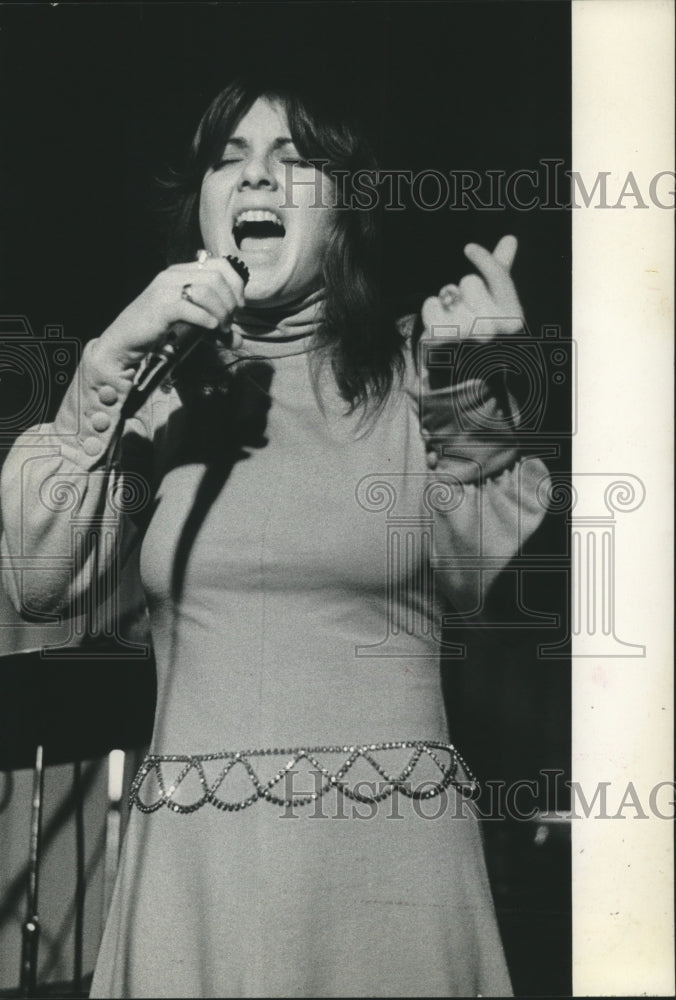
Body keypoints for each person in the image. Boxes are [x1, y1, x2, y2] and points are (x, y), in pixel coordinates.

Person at [0, 75, 549, 998]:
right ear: (203, 207)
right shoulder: (157, 389)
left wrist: (463, 393)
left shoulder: (419, 367)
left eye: (293, 163)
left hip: (384, 876)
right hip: (196, 876)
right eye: (229, 160)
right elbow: (40, 580)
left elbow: (473, 571)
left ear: (342, 213)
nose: (255, 180)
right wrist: (112, 359)